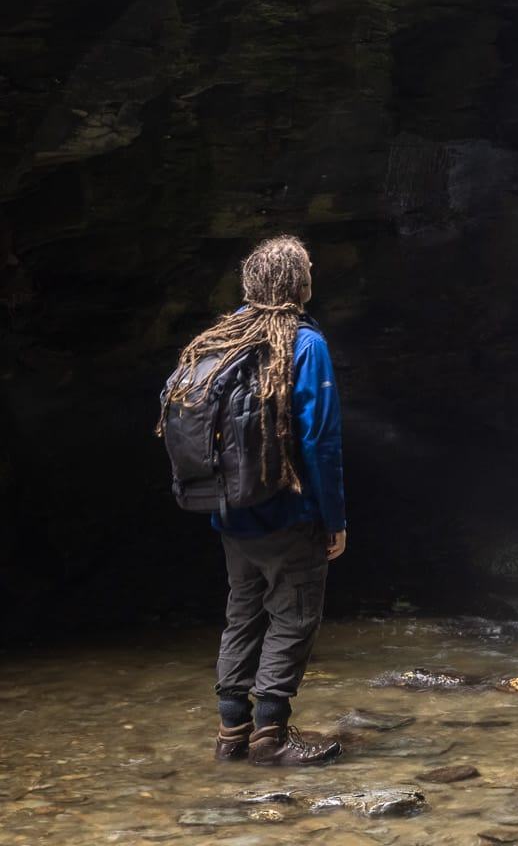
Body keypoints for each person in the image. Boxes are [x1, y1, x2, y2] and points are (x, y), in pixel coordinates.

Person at [160, 235, 347, 767]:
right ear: (300, 285)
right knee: (292, 617)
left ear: (250, 284)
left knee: (242, 614)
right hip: (289, 513)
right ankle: (271, 737)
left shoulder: (218, 340)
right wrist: (334, 518)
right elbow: (318, 439)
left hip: (232, 511)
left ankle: (230, 732)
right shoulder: (306, 345)